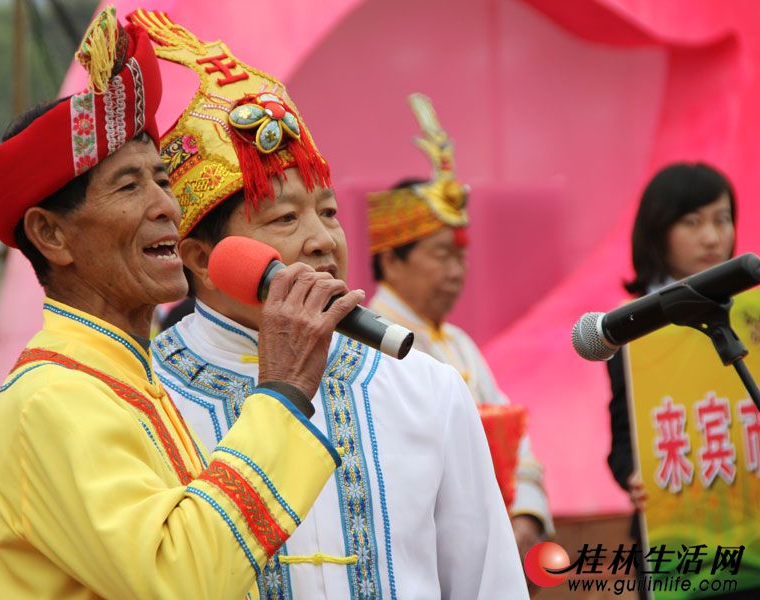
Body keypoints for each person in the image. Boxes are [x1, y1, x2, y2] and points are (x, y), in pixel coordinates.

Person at [132, 10, 527, 599]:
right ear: (198, 255)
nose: (322, 239)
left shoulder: (426, 387)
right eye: (284, 217)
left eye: (329, 212)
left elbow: (487, 584)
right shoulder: (143, 401)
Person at [0, 9, 361, 599]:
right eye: (130, 186)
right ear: (51, 235)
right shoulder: (53, 399)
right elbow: (181, 580)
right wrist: (281, 392)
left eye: (161, 178)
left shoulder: (126, 377)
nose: (167, 206)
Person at [365, 94, 553, 559]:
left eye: (461, 256)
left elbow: (516, 436)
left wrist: (525, 516)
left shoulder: (461, 345)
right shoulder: (364, 341)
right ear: (391, 259)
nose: (456, 271)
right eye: (442, 255)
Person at [605, 161, 760, 599]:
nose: (712, 237)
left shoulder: (753, 317)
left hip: (753, 533)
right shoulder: (631, 327)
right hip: (678, 544)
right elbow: (621, 440)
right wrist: (632, 475)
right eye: (692, 222)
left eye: (722, 219)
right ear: (658, 234)